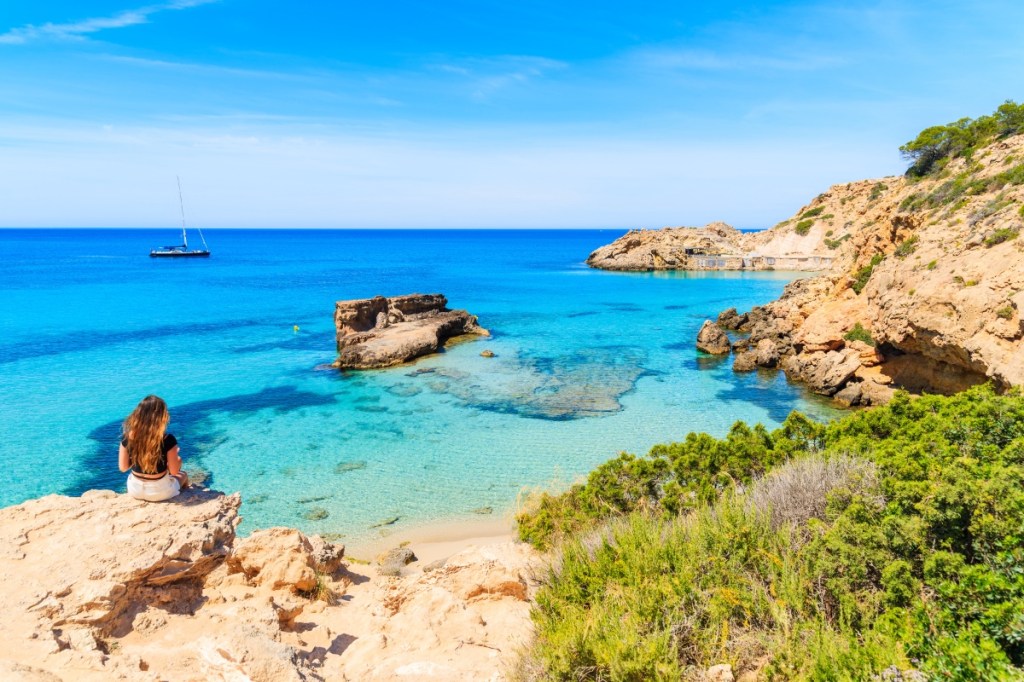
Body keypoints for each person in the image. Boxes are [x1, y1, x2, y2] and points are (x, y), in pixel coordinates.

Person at [119, 395, 190, 501]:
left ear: (138, 414)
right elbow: (174, 472)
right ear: (162, 417)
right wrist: (176, 458)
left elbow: (123, 467)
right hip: (160, 492)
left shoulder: (127, 437)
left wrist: (139, 455)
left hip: (135, 490)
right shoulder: (168, 439)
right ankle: (187, 495)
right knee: (183, 475)